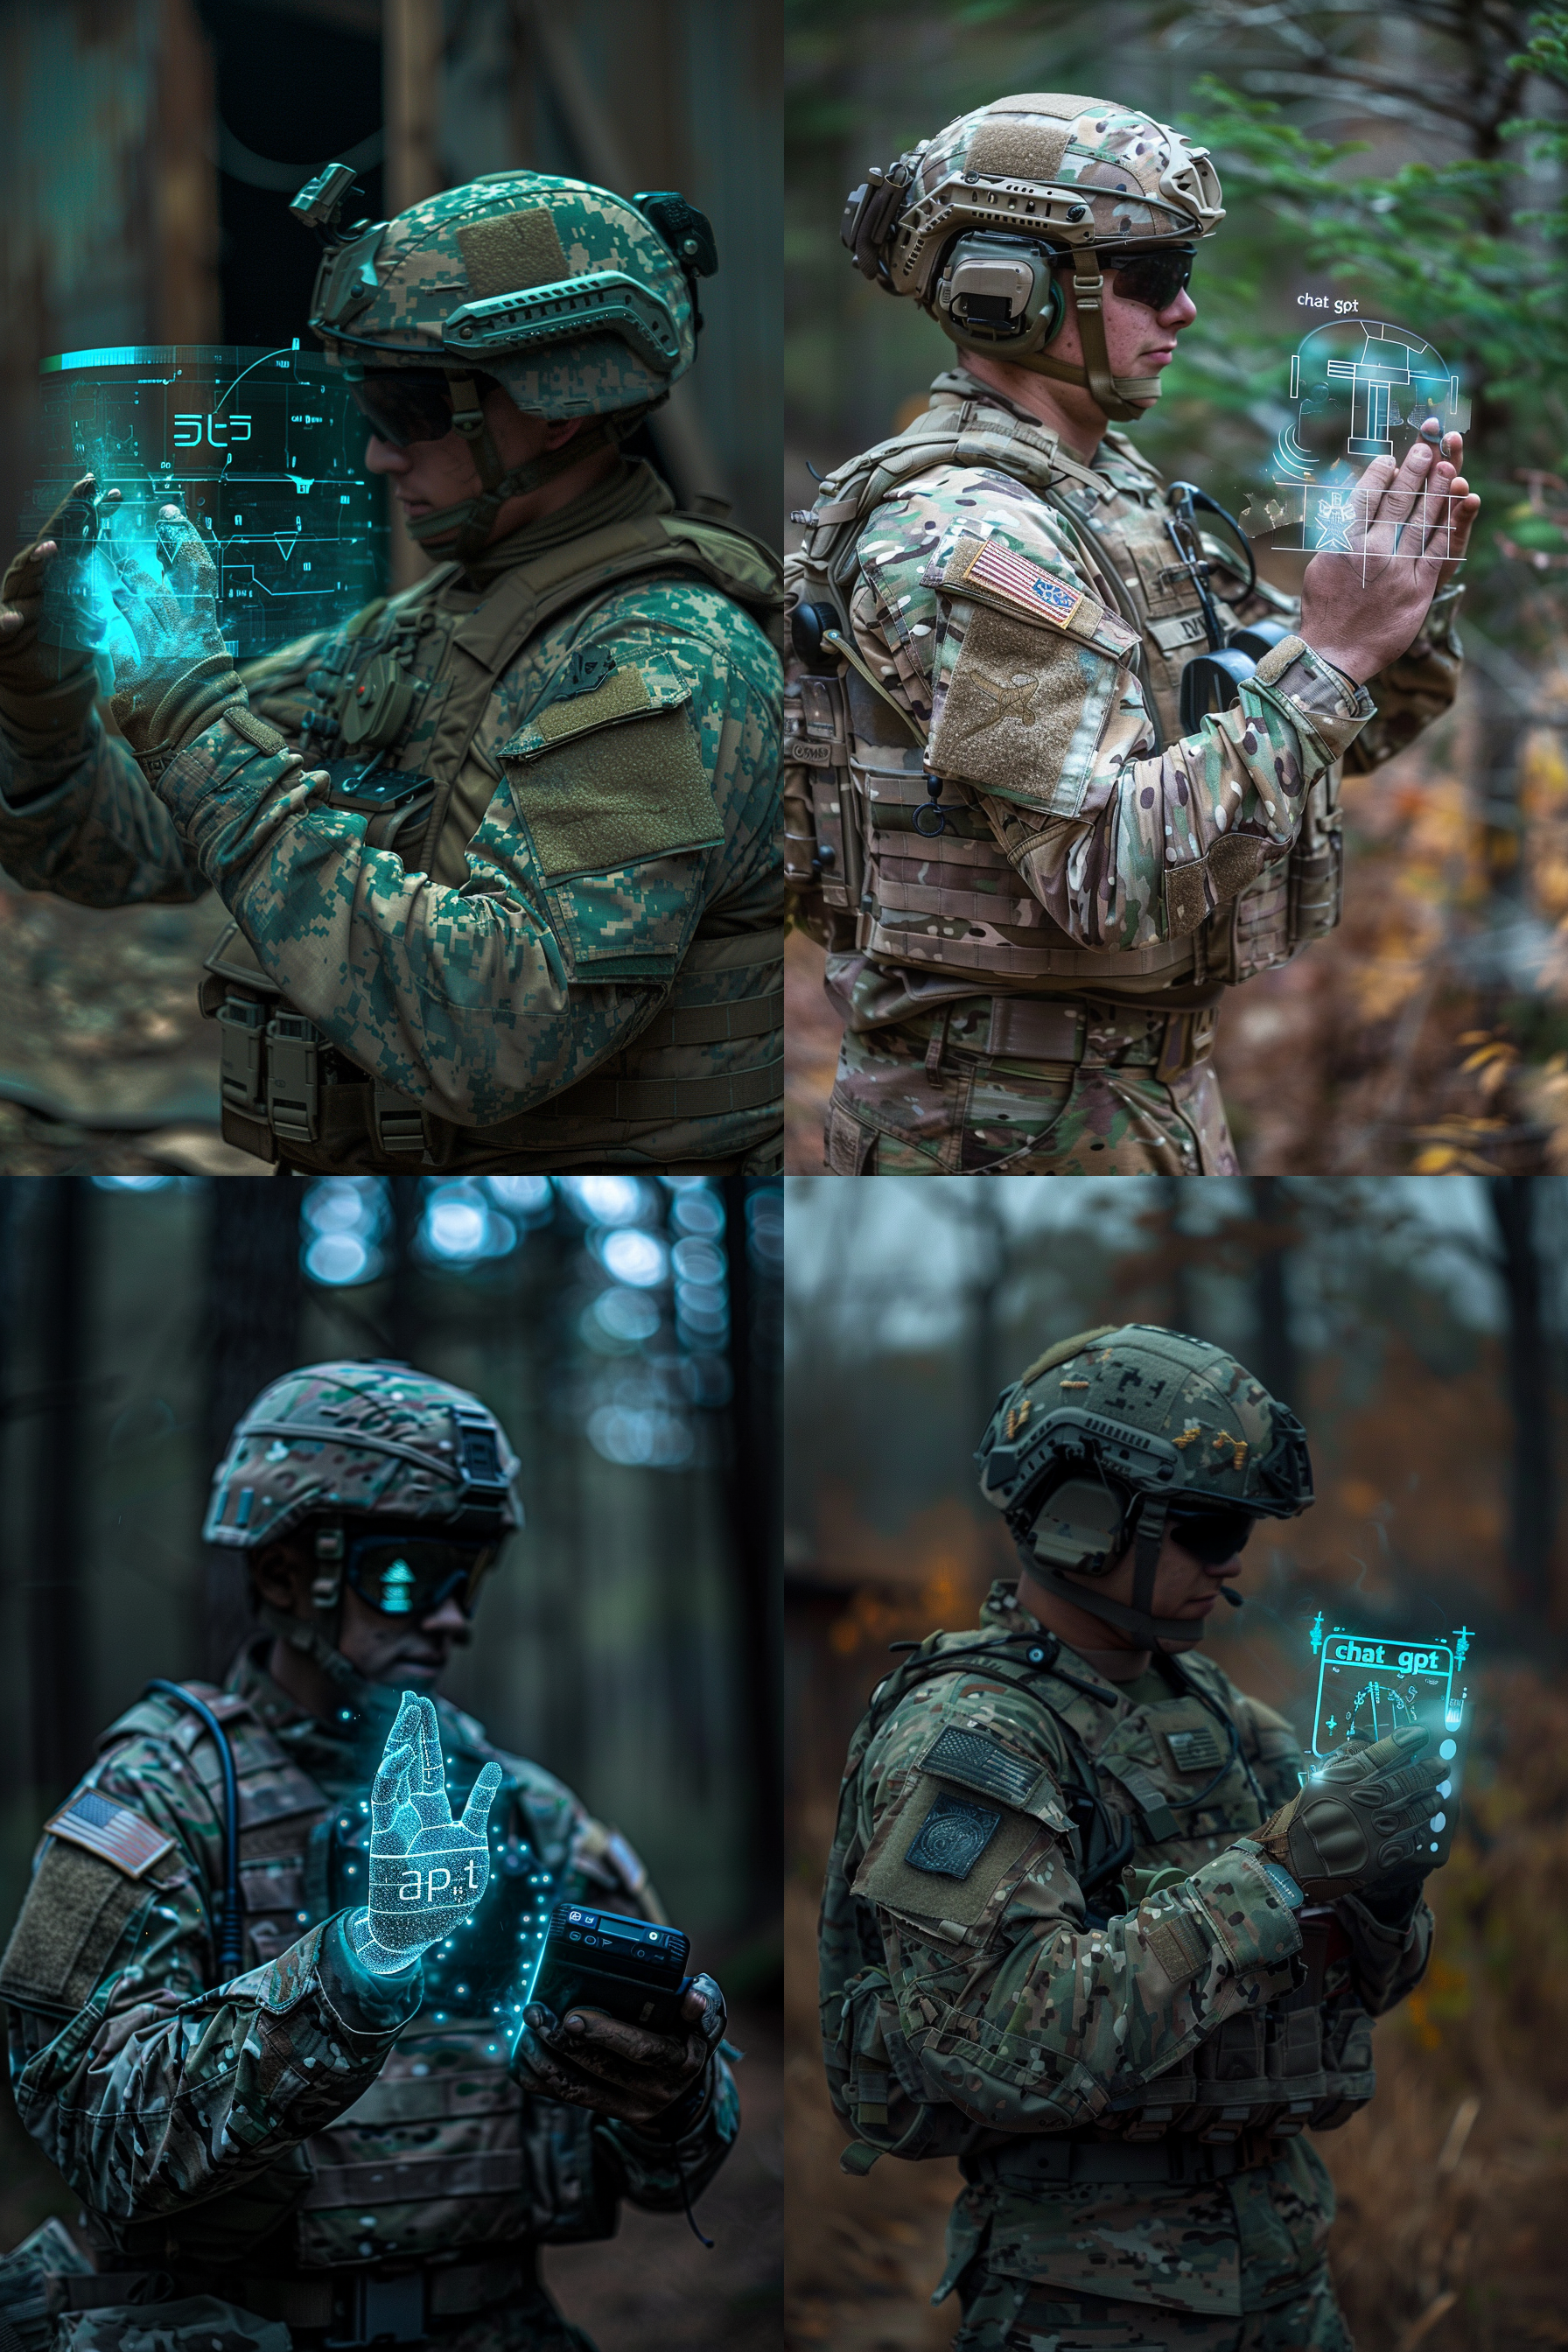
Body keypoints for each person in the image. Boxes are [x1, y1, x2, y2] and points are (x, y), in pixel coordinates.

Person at [0, 172, 782, 1176]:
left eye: (409, 408)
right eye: (367, 404)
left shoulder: (653, 669)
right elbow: (131, 848)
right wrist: (42, 704)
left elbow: (504, 1030)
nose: (376, 454)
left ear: (561, 412)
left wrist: (202, 728)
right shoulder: (417, 630)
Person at [785, 94, 1480, 1173]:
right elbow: (1109, 880)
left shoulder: (1107, 492)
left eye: (1184, 272)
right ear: (1007, 291)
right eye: (1152, 275)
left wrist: (1399, 613)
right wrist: (1333, 654)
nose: (1185, 311)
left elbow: (1306, 747)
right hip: (996, 1127)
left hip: (1142, 1095)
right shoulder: (966, 535)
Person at [0, 1361, 735, 2352]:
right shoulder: (159, 1800)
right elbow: (98, 2143)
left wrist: (674, 2096)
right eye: (407, 1575)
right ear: (282, 1572)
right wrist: (362, 1964)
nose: (451, 1616)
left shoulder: (522, 1810)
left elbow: (676, 2167)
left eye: (468, 1577)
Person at [818, 1323, 1449, 2348]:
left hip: (1283, 2270)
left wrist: (1383, 1886)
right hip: (1086, 2300)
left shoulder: (1219, 1712)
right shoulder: (971, 1739)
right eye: (1203, 1525)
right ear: (1084, 1519)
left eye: (1241, 1528)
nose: (1234, 1560)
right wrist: (1278, 1880)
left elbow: (1371, 1984)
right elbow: (998, 2043)